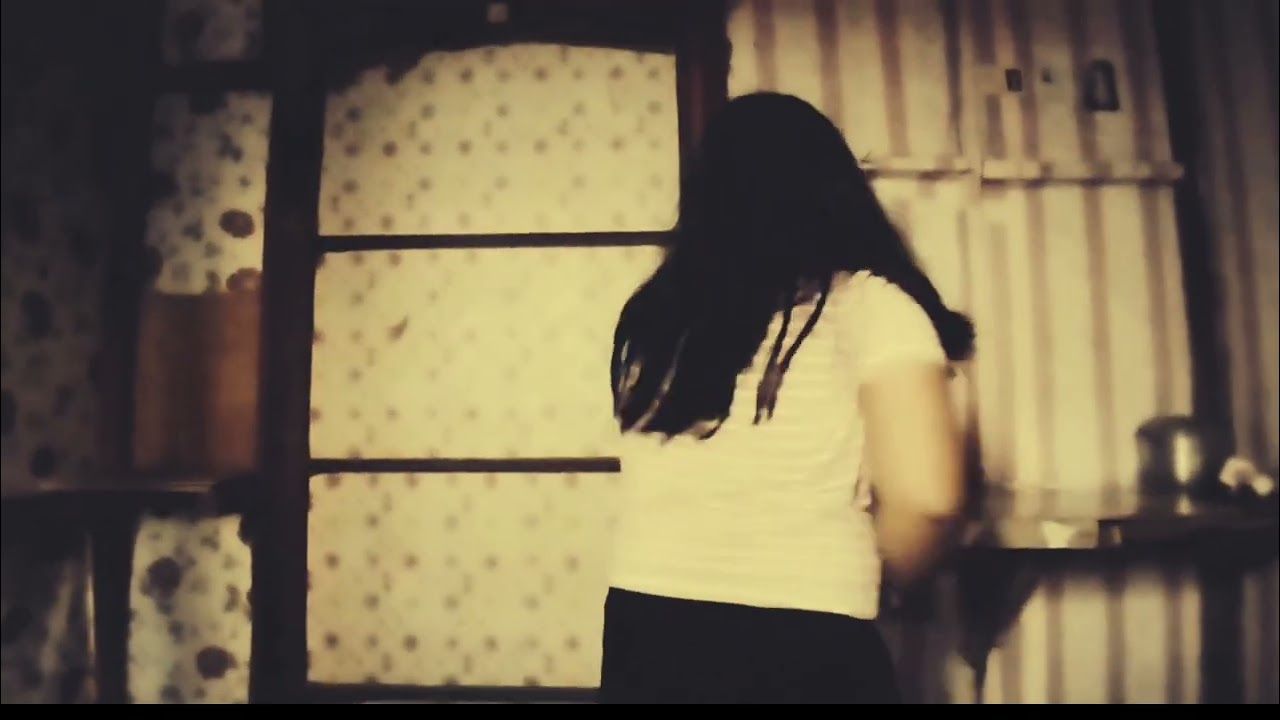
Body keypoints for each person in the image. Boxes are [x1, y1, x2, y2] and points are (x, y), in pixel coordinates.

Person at [600, 92, 975, 704]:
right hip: (802, 632)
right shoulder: (868, 305)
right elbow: (929, 501)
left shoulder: (657, 318)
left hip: (645, 625)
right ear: (836, 192)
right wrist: (894, 579)